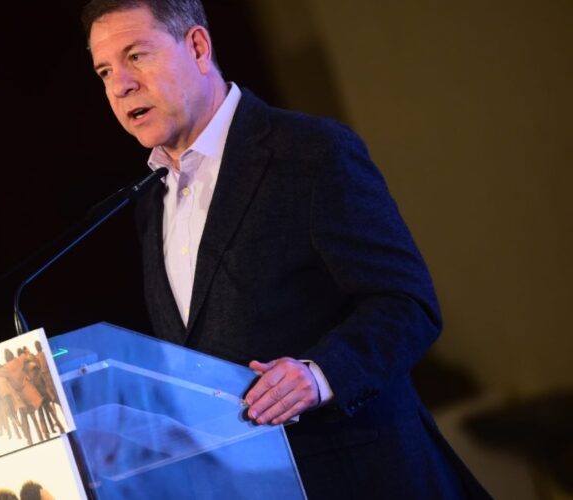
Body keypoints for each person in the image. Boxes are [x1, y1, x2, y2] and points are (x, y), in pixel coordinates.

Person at [81, 0, 489, 498]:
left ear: (197, 46)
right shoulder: (152, 200)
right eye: (104, 70)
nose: (119, 84)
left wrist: (319, 375)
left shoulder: (309, 153)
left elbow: (408, 304)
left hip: (365, 477)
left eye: (136, 56)